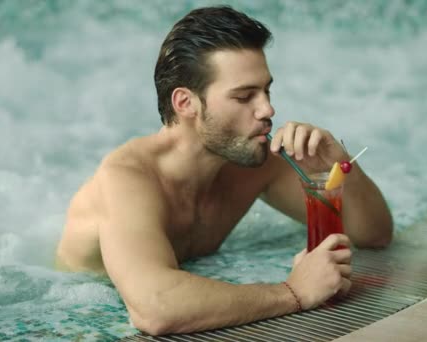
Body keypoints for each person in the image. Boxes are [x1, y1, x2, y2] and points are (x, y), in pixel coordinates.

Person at [55, 5, 393, 336]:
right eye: (245, 97)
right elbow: (154, 308)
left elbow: (374, 234)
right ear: (185, 103)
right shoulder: (128, 177)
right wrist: (293, 292)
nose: (268, 109)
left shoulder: (254, 160)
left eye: (266, 90)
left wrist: (337, 168)